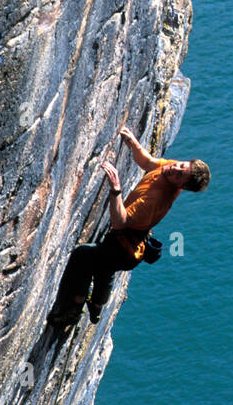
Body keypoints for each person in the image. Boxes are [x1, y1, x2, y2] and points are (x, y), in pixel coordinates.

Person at [48, 127, 210, 326]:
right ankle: (97, 307)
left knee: (83, 256)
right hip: (128, 242)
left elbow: (120, 222)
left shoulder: (155, 199)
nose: (174, 169)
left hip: (122, 250)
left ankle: (74, 309)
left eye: (179, 175)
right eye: (181, 166)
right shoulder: (171, 169)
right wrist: (134, 144)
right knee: (103, 271)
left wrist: (116, 190)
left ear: (181, 186)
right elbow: (149, 163)